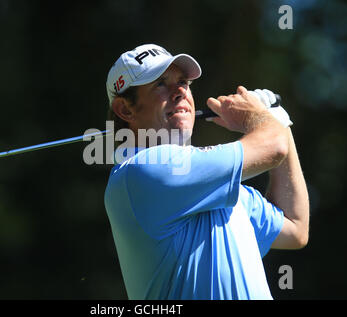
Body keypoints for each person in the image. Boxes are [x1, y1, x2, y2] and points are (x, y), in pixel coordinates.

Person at [103, 44, 309, 300]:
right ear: (125, 110)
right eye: (160, 84)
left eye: (184, 82)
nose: (179, 91)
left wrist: (279, 123)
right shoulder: (141, 171)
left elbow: (295, 228)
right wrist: (261, 119)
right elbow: (273, 147)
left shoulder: (216, 187)